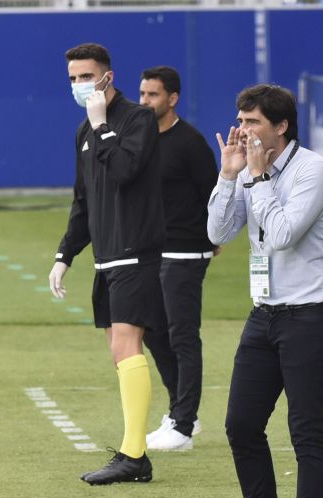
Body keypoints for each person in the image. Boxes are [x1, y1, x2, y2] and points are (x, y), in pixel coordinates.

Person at [207, 84, 323, 498]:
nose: (244, 132)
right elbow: (217, 233)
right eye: (241, 122)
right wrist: (229, 177)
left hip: (312, 314)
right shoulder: (247, 170)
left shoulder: (313, 170)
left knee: (307, 434)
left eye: (253, 123)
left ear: (281, 126)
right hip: (264, 314)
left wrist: (259, 178)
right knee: (240, 425)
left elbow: (283, 234)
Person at [49, 43, 165, 485]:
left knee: (125, 346)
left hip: (136, 251)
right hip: (106, 257)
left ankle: (134, 455)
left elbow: (125, 171)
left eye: (86, 77)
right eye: (73, 78)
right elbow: (84, 201)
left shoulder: (137, 120)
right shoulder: (83, 132)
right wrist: (65, 255)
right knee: (117, 351)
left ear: (107, 77)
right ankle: (133, 452)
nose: (79, 86)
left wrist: (101, 126)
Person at [138, 65, 219, 452]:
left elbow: (215, 191)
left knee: (182, 334)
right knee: (153, 331)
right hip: (153, 249)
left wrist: (215, 236)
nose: (144, 101)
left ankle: (184, 426)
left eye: (152, 95)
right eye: (142, 94)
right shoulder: (141, 138)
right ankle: (179, 412)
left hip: (187, 249)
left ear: (172, 98)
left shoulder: (190, 142)